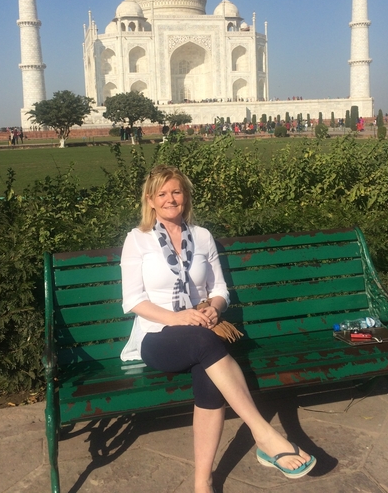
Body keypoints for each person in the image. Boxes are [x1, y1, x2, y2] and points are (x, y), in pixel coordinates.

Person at [120, 165, 316, 493]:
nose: (171, 199)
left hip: (202, 334)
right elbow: (134, 301)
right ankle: (263, 434)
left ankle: (202, 483)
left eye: (177, 192)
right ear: (150, 200)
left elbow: (220, 289)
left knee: (207, 370)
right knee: (203, 341)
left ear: (186, 196)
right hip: (156, 336)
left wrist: (214, 307)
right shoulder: (137, 240)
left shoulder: (203, 237)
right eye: (163, 193)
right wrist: (178, 318)